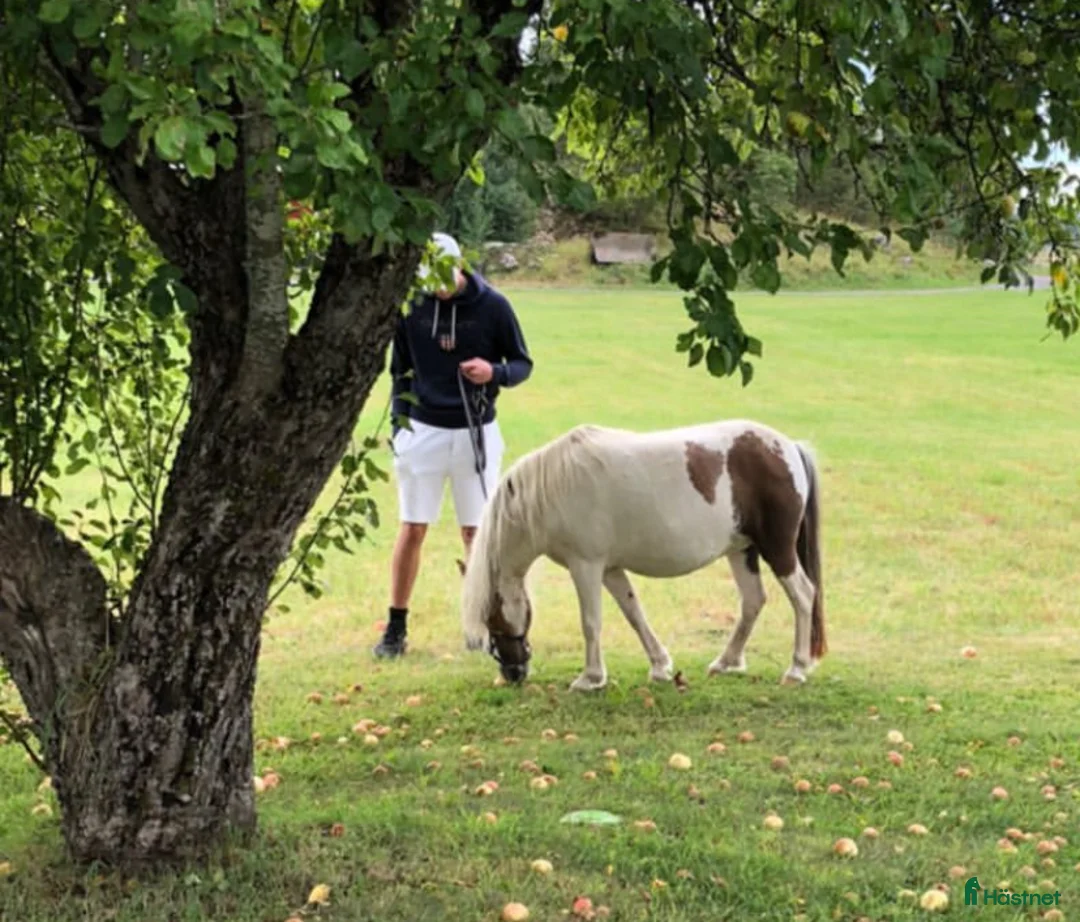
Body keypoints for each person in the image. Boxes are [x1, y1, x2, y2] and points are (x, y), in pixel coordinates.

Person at [373, 232, 534, 659]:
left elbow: (522, 364)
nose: (437, 286)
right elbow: (400, 372)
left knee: (475, 533)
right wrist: (399, 426)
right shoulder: (411, 304)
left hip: (476, 431)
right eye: (429, 278)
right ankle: (395, 627)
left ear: (460, 265)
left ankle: (481, 622)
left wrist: (493, 373)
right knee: (413, 527)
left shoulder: (494, 306)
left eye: (444, 276)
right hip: (421, 431)